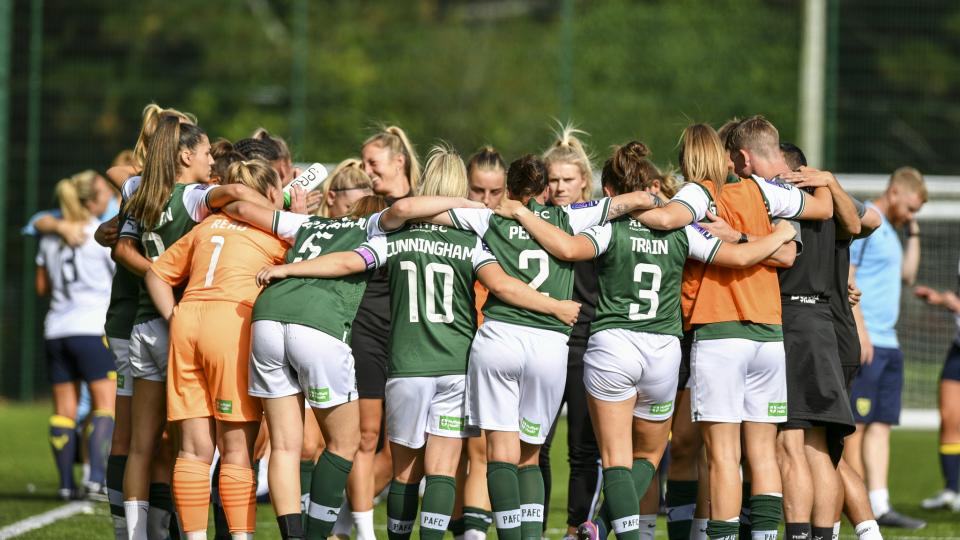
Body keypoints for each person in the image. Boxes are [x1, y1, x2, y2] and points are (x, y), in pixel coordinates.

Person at [494, 141, 798, 540]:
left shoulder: (608, 226)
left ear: (609, 192)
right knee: (650, 457)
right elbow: (741, 258)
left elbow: (566, 247)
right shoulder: (681, 230)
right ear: (654, 186)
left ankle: (610, 529)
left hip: (613, 344)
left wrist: (522, 213)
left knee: (616, 460)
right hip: (663, 351)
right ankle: (602, 526)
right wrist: (782, 233)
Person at [228, 189, 480, 540]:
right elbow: (351, 258)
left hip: (266, 318)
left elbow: (240, 207)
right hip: (318, 325)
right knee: (344, 444)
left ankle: (295, 536)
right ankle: (318, 534)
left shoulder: (308, 223)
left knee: (285, 446)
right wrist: (468, 205)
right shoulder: (375, 230)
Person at [631, 119, 833, 540]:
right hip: (768, 335)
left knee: (723, 455)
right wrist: (820, 184)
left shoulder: (697, 193)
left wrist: (625, 206)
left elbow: (668, 219)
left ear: (688, 157)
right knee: (762, 454)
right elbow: (822, 212)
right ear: (730, 157)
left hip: (720, 333)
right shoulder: (763, 190)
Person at [370, 145, 581, 540]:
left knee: (407, 468)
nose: (485, 200)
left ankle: (462, 531)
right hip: (462, 358)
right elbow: (502, 284)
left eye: (492, 192)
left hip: (412, 361)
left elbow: (389, 221)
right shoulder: (474, 238)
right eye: (477, 192)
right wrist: (556, 307)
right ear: (463, 189)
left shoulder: (395, 235)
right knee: (453, 466)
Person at [119, 115, 271, 540]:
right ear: (186, 155)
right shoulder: (198, 199)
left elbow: (123, 247)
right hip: (198, 318)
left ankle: (133, 534)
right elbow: (238, 193)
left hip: (146, 323)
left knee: (149, 445)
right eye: (205, 153)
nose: (211, 161)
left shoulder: (136, 189)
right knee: (228, 446)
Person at [144, 159, 291, 540]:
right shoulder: (275, 232)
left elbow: (156, 273)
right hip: (231, 323)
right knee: (236, 449)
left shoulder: (207, 226)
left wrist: (173, 315)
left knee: (193, 451)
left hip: (188, 320)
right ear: (271, 193)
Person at [344, 125, 422, 540]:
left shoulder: (426, 204)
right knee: (367, 436)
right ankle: (359, 529)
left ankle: (339, 519)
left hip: (413, 337)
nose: (366, 170)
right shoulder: (373, 209)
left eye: (372, 162)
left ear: (398, 161)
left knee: (405, 448)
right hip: (368, 330)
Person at [845, 166, 928, 529]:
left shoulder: (893, 232)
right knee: (857, 425)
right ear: (894, 192)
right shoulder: (866, 220)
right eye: (911, 208)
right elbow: (847, 273)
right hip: (869, 339)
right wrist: (859, 330)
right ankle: (855, 504)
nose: (911, 216)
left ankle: (880, 504)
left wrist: (913, 228)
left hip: (889, 342)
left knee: (881, 425)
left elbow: (908, 275)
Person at [37, 171, 117, 501]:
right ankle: (96, 479)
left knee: (63, 410)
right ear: (91, 201)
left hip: (56, 329)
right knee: (105, 405)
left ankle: (65, 484)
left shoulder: (49, 238)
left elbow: (42, 287)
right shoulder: (98, 234)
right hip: (92, 327)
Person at [540, 124, 603, 540]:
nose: (560, 188)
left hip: (586, 343)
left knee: (582, 448)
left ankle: (575, 528)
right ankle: (532, 525)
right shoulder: (537, 220)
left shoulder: (600, 221)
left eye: (567, 180)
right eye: (553, 180)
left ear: (584, 182)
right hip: (544, 340)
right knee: (536, 444)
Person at [913, 284, 960, 512]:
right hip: (958, 349)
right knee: (949, 417)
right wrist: (941, 298)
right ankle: (952, 491)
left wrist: (956, 305)